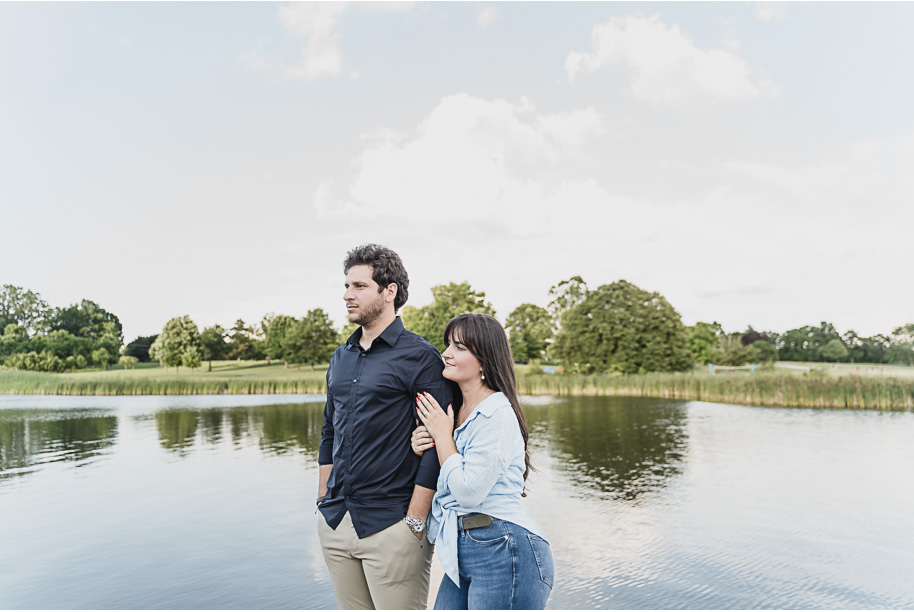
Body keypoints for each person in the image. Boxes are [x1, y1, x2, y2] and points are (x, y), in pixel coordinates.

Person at [317, 244, 453, 610]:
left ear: (388, 291)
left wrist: (415, 519)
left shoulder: (420, 358)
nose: (347, 295)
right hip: (336, 520)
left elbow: (440, 444)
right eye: (346, 286)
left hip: (393, 524)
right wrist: (322, 499)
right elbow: (330, 429)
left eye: (359, 286)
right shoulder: (340, 357)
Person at [412, 313, 554, 610]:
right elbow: (451, 477)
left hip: (505, 548)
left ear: (484, 361)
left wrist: (443, 437)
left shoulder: (497, 415)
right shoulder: (459, 413)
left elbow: (468, 492)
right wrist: (425, 444)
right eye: (448, 344)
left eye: (459, 347)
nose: (446, 354)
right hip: (461, 549)